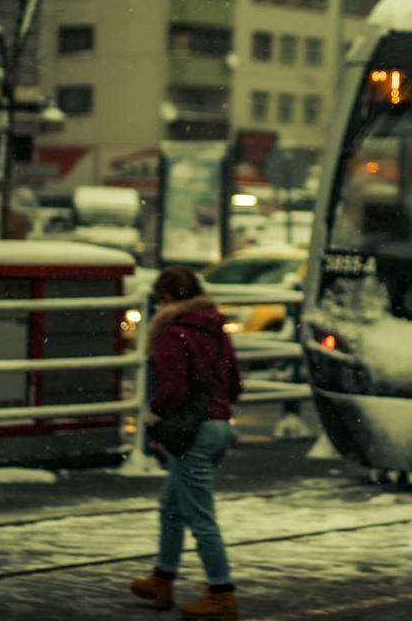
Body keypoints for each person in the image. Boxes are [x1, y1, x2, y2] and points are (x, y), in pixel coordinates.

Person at [130, 266, 242, 620]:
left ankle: (222, 593)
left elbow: (173, 389)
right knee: (172, 506)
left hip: (192, 432)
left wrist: (154, 415)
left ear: (166, 298)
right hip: (219, 425)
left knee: (200, 517)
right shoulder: (216, 330)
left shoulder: (172, 333)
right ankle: (163, 577)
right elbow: (236, 383)